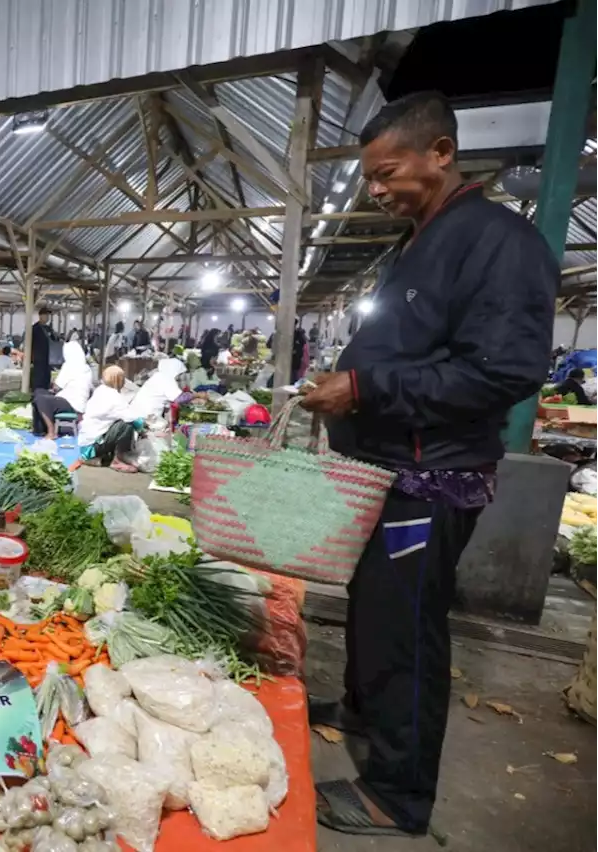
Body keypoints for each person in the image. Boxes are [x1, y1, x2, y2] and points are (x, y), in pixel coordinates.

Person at [300, 91, 557, 838]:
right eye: (369, 178)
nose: (376, 191)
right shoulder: (422, 238)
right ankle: (360, 710)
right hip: (386, 471)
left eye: (387, 173)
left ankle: (399, 793)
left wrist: (366, 385)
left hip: (429, 480)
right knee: (374, 611)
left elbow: (505, 372)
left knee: (408, 630)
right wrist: (350, 385)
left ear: (440, 153)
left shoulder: (497, 241)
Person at [78, 367, 142, 470]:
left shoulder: (100, 390)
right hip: (92, 446)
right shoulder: (114, 397)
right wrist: (144, 430)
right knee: (125, 425)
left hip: (84, 444)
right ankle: (118, 460)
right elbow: (132, 419)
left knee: (117, 422)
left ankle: (104, 457)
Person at [33, 341, 92, 440]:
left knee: (40, 398)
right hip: (78, 405)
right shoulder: (86, 367)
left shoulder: (69, 365)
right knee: (40, 393)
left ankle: (50, 432)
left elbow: (56, 386)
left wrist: (52, 383)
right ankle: (43, 429)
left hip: (70, 403)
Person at [30, 308, 53, 392]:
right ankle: (37, 394)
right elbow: (29, 343)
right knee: (39, 378)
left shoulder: (49, 329)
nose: (47, 317)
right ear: (40, 316)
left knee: (46, 377)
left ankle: (45, 393)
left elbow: (54, 340)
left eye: (48, 315)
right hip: (38, 358)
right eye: (46, 315)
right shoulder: (35, 329)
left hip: (49, 358)